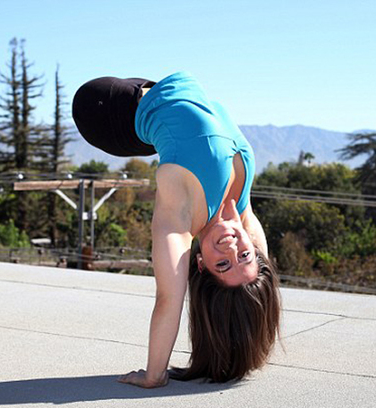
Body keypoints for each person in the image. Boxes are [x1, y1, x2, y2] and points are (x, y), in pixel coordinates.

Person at [72, 71, 281, 388]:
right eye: (244, 256)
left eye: (222, 264)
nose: (231, 248)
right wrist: (254, 332)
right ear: (256, 253)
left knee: (88, 99)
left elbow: (169, 298)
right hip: (155, 89)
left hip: (106, 111)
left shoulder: (181, 214)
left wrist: (154, 375)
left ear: (199, 264)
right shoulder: (244, 210)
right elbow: (263, 282)